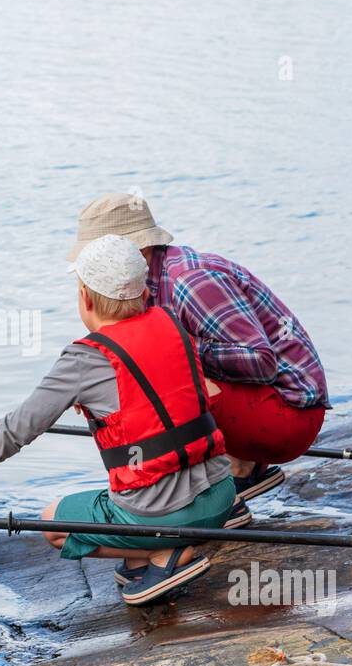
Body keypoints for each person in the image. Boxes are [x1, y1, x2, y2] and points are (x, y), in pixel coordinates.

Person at [0, 234, 236, 607]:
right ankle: (146, 555)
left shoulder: (83, 360)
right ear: (144, 294)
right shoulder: (171, 323)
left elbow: (16, 430)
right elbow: (186, 398)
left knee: (54, 524)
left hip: (163, 514)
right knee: (136, 527)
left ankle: (165, 554)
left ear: (86, 297)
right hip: (222, 497)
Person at [66, 193, 329, 503]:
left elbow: (260, 361)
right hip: (258, 405)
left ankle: (196, 498)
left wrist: (177, 353)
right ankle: (237, 468)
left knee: (159, 382)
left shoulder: (189, 281)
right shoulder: (141, 285)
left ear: (139, 249)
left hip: (292, 414)